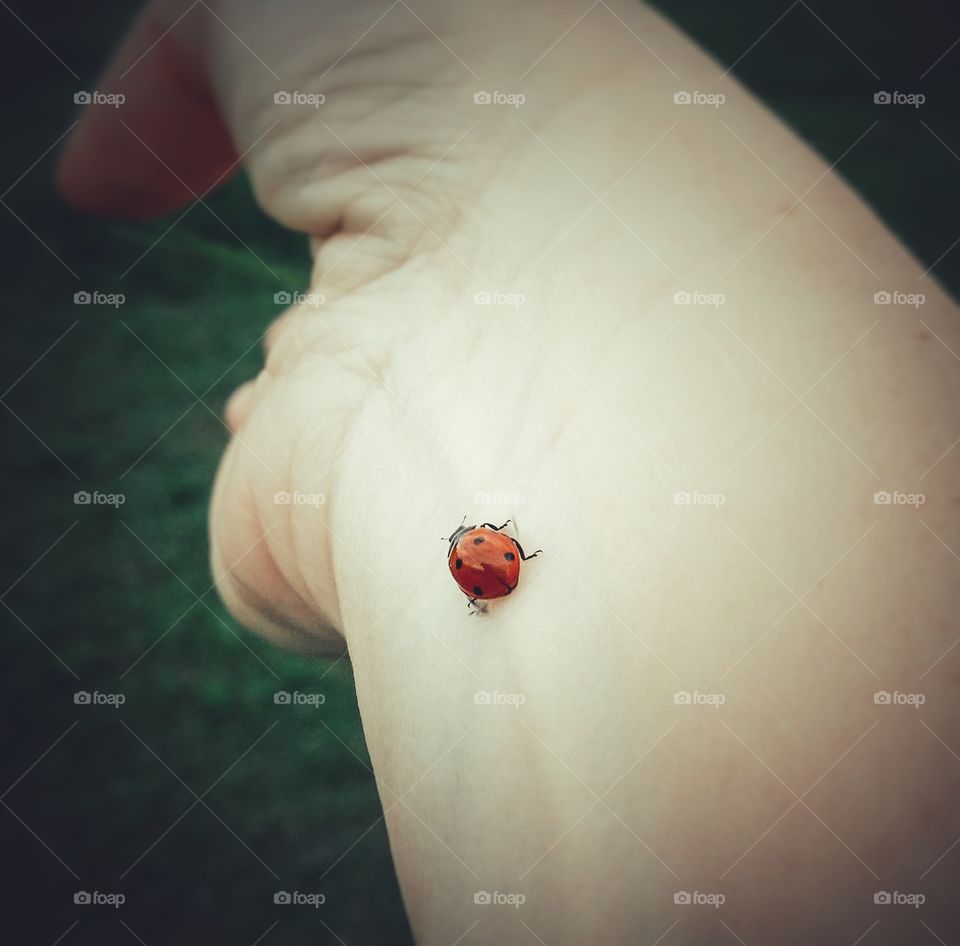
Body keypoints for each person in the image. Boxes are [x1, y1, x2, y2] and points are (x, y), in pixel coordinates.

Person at [58, 0, 960, 942]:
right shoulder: (486, 556)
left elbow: (483, 556)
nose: (487, 564)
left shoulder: (481, 556)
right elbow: (486, 556)